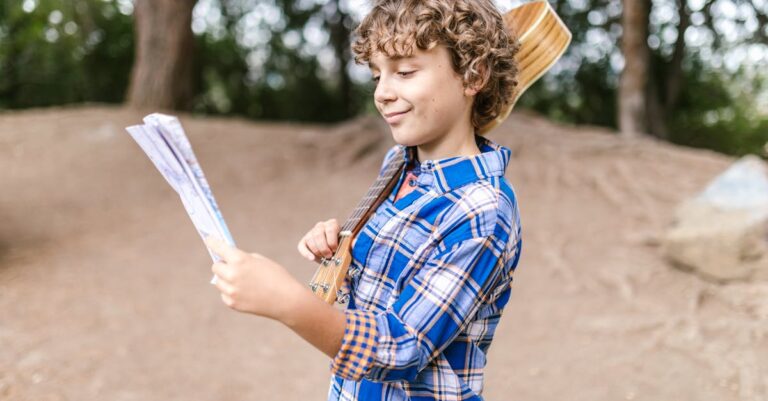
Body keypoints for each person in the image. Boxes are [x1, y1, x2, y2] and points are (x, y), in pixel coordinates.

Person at [204, 0, 522, 399]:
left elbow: (402, 347)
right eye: (376, 76)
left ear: (474, 74)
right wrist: (342, 246)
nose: (383, 93)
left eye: (404, 72)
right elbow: (388, 275)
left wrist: (289, 302)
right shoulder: (399, 164)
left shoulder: (483, 211)